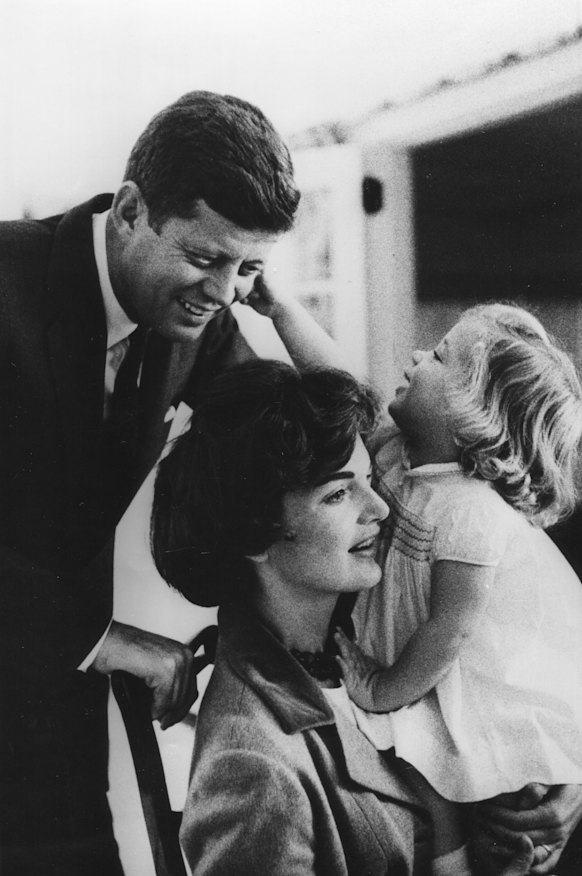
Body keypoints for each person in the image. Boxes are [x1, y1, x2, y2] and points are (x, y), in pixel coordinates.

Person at [0, 90, 344, 875]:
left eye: (247, 268)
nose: (224, 294)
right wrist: (96, 638)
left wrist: (283, 310)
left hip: (52, 737)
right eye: (205, 258)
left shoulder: (198, 322)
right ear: (130, 211)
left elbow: (311, 439)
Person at [151, 357, 550, 876]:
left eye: (368, 479)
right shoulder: (251, 764)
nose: (380, 509)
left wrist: (562, 791)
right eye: (338, 494)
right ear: (254, 531)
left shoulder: (381, 625)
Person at [334, 303, 582, 874]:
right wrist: (280, 311)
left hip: (479, 677)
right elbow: (337, 381)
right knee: (424, 772)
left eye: (440, 356)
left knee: (466, 781)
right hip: (428, 664)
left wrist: (382, 688)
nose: (418, 354)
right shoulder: (398, 452)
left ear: (474, 416)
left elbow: (449, 630)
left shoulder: (473, 511)